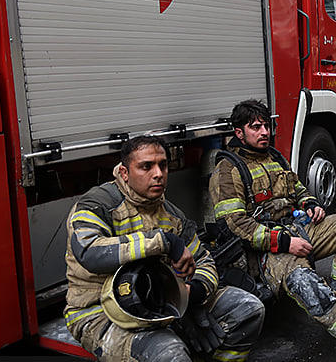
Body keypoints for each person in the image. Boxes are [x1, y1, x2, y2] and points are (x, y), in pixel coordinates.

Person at [210, 100, 336, 361]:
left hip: (296, 229)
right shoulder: (228, 170)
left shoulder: (274, 157)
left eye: (266, 126)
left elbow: (296, 188)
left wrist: (310, 203)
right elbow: (235, 225)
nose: (264, 132)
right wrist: (284, 243)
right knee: (307, 284)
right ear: (239, 133)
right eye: (255, 127)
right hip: (265, 251)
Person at [65, 135, 265, 362]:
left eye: (163, 165)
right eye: (146, 167)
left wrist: (191, 295)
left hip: (160, 305)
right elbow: (90, 253)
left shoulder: (172, 214)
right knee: (169, 354)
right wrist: (165, 242)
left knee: (248, 310)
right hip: (99, 313)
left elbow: (204, 262)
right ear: (124, 173)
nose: (158, 173)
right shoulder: (98, 204)